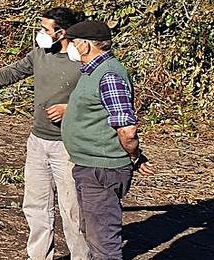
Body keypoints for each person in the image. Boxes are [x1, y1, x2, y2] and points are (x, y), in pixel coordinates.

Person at [0, 7, 88, 260]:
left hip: (68, 146)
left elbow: (100, 97)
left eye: (45, 28)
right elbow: (10, 74)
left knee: (73, 210)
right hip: (37, 142)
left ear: (62, 32)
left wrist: (71, 108)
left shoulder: (83, 63)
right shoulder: (40, 54)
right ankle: (39, 256)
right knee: (36, 206)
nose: (40, 33)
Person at [61, 20, 154, 260]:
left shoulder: (109, 75)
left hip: (101, 169)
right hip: (91, 166)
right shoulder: (93, 71)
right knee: (93, 234)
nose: (68, 47)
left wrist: (133, 155)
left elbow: (127, 129)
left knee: (103, 243)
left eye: (72, 42)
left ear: (85, 46)